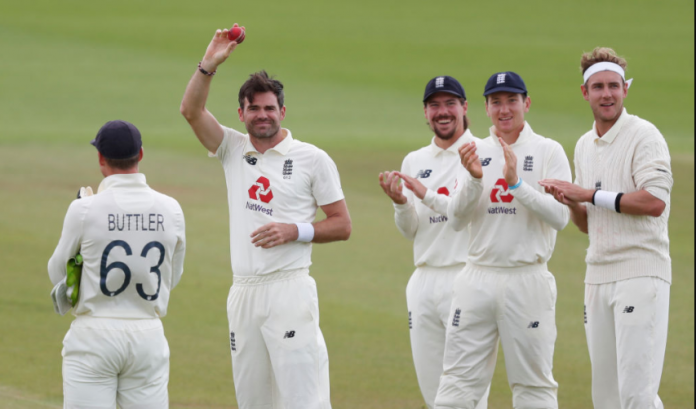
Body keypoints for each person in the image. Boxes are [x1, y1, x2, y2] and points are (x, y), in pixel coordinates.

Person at [179, 24, 351, 409]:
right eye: (253, 108)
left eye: (269, 107)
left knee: (301, 398)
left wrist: (296, 230)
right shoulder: (232, 149)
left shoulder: (312, 159)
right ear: (240, 113)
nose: (262, 115)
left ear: (282, 111)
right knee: (253, 400)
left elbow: (342, 224)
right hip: (243, 291)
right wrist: (209, 64)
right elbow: (191, 111)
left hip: (288, 288)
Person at [539, 47, 672, 409]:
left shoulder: (645, 135)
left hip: (640, 273)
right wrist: (570, 201)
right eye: (597, 86)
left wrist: (589, 194)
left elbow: (654, 202)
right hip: (597, 275)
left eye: (614, 85)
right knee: (607, 397)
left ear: (626, 89)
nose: (607, 94)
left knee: (636, 395)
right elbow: (587, 224)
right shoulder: (584, 144)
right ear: (585, 92)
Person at [434, 72, 571, 409]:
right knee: (457, 385)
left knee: (533, 386)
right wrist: (474, 180)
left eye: (512, 100)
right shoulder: (471, 150)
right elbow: (455, 220)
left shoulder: (547, 151)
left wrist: (517, 186)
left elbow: (561, 217)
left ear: (527, 103)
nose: (504, 109)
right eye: (496, 102)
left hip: (527, 279)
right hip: (477, 277)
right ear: (485, 108)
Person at [48, 120, 187, 408]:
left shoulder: (84, 208)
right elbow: (171, 279)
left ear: (100, 158)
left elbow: (57, 273)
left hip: (93, 338)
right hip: (148, 336)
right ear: (141, 154)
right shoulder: (171, 208)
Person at [378, 76, 489, 409]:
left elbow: (464, 214)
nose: (443, 112)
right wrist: (399, 202)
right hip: (424, 279)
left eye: (450, 104)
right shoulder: (415, 161)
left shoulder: (484, 152)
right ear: (425, 113)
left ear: (464, 108)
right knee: (433, 391)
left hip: (467, 275)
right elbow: (411, 230)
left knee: (467, 391)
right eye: (434, 105)